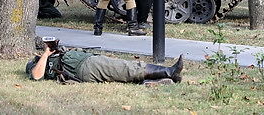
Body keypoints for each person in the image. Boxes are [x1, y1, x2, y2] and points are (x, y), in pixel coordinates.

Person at [26, 40, 184, 84]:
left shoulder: (53, 55)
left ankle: (157, 79)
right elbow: (36, 76)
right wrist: (45, 55)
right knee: (124, 68)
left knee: (122, 68)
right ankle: (170, 72)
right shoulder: (35, 64)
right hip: (86, 68)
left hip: (89, 61)